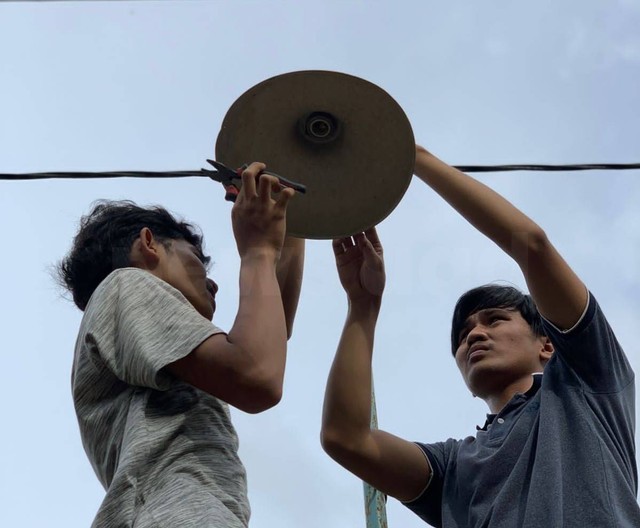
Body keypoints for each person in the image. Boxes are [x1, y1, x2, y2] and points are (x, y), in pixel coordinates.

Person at [321, 146, 640, 527]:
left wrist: (413, 157)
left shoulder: (587, 383)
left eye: (494, 320)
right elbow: (345, 437)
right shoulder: (454, 467)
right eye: (462, 333)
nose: (474, 335)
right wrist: (363, 304)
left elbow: (532, 246)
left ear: (547, 344)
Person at [59, 163, 305, 528]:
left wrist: (291, 223)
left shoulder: (140, 329)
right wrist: (256, 252)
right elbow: (258, 373)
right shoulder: (126, 285)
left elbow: (269, 333)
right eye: (197, 262)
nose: (212, 284)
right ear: (149, 244)